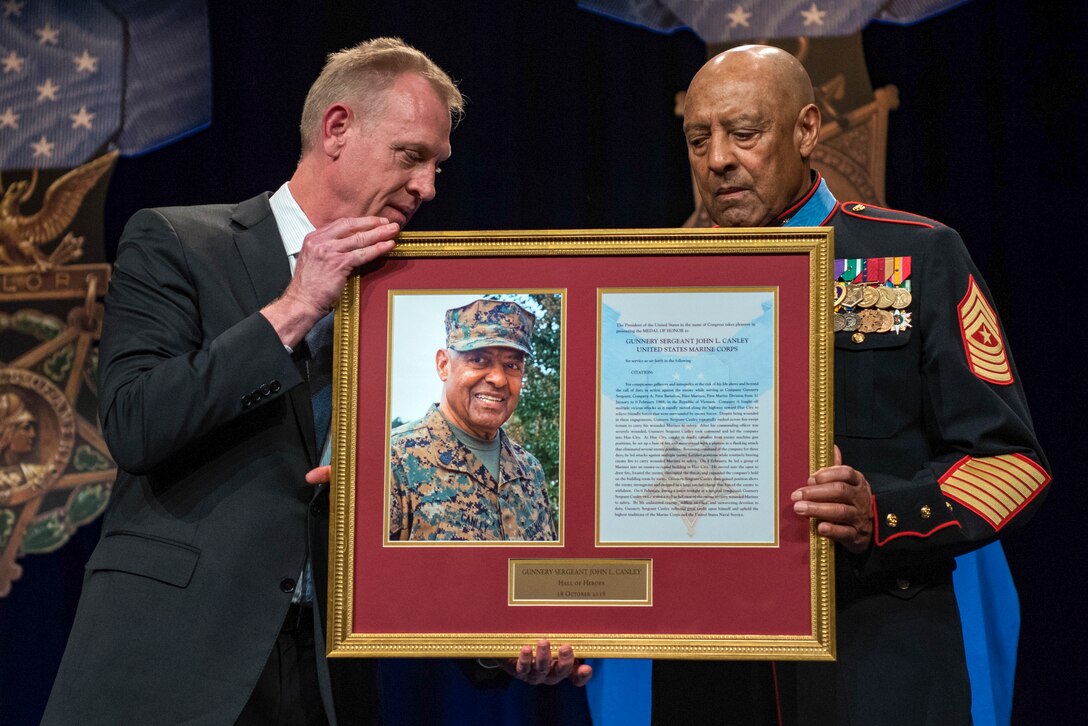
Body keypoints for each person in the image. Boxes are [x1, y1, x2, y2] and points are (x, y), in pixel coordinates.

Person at [44, 38, 587, 726]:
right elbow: (136, 423)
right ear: (337, 129)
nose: (428, 186)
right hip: (176, 657)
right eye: (412, 156)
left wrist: (498, 644)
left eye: (438, 166)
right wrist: (296, 306)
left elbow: (430, 512)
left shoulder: (410, 296)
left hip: (325, 675)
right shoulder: (178, 242)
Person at [652, 45, 1050, 725]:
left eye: (744, 134)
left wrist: (882, 515)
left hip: (880, 663)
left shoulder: (919, 256)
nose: (717, 158)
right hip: (712, 675)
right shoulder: (653, 286)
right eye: (698, 138)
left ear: (807, 130)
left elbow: (1012, 465)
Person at [389, 298, 557, 541]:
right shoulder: (395, 459)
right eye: (479, 360)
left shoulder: (530, 470)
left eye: (511, 365)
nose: (499, 379)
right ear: (443, 365)